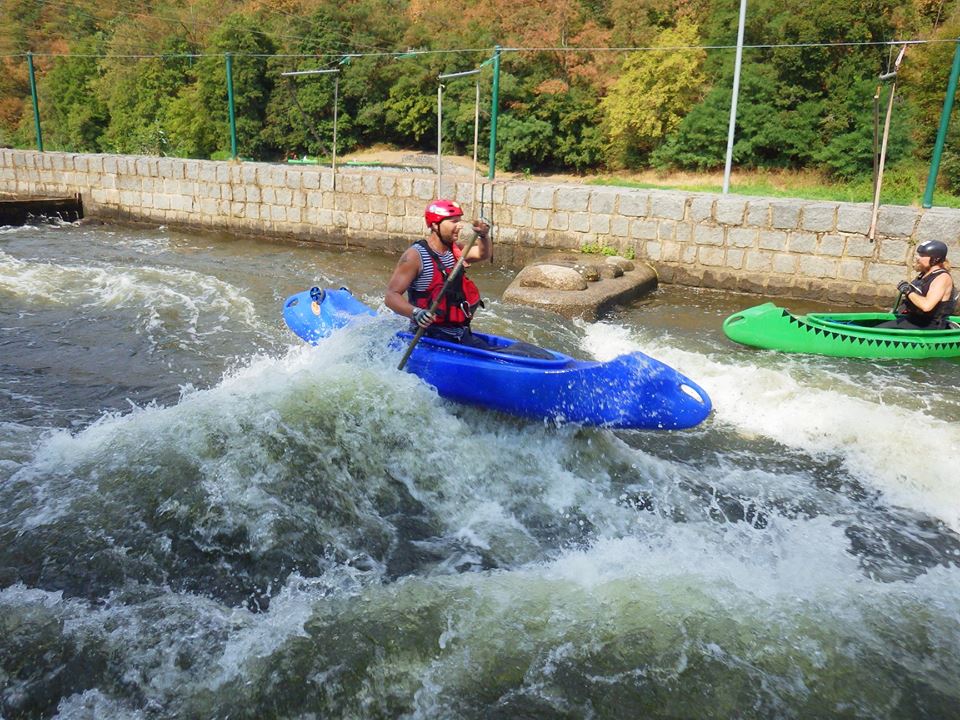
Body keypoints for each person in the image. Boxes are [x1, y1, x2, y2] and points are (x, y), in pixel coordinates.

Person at [385, 199, 493, 348]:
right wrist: (416, 313)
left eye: (459, 221)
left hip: (457, 332)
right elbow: (391, 296)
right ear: (435, 225)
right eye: (453, 221)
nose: (459, 225)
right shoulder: (414, 256)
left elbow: (482, 254)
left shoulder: (455, 251)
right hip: (429, 335)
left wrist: (483, 236)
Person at [878, 240, 956, 329]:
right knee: (877, 327)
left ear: (935, 259)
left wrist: (908, 291)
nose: (917, 258)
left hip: (929, 327)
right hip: (914, 320)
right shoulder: (924, 274)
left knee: (876, 332)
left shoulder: (942, 278)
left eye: (922, 255)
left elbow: (926, 306)